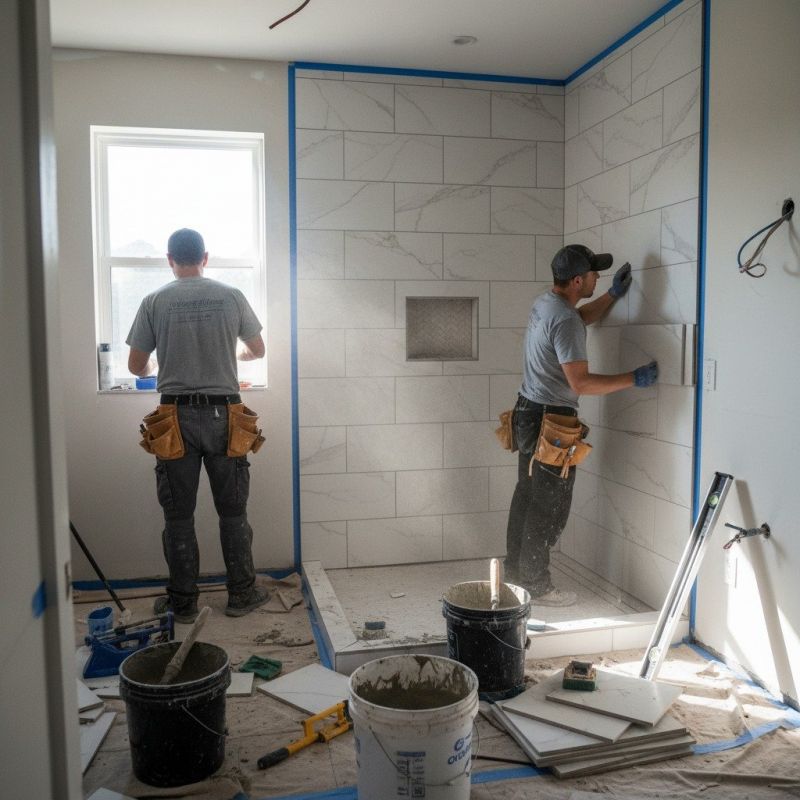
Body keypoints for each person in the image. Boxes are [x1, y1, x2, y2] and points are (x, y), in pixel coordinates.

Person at [504, 244, 658, 607]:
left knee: (527, 496)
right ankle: (537, 585)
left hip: (528, 411)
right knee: (550, 505)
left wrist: (612, 296)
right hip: (551, 421)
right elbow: (582, 384)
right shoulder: (566, 320)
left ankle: (516, 571)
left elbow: (578, 318)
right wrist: (633, 379)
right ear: (577, 280)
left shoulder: (548, 303)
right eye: (593, 274)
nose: (597, 276)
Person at [127, 228, 267, 624]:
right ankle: (241, 594)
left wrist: (156, 366)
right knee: (233, 513)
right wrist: (233, 353)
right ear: (205, 257)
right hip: (227, 416)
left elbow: (137, 366)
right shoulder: (231, 296)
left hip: (174, 418)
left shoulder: (154, 301)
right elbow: (257, 350)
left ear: (170, 260)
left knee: (178, 517)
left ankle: (182, 604)